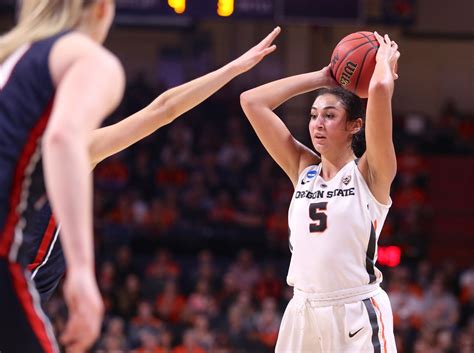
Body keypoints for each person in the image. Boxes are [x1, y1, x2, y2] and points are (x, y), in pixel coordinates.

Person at [26, 26, 281, 305]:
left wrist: (232, 68)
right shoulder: (71, 149)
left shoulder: (72, 147)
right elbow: (162, 111)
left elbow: (163, 109)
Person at [240, 32, 400, 353]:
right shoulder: (302, 168)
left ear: (355, 125)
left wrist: (383, 63)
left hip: (354, 309)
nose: (317, 124)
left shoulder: (370, 174)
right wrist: (323, 77)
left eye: (329, 116)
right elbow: (252, 101)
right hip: (302, 309)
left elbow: (380, 89)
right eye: (313, 115)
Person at [0, 1, 124, 352]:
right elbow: (63, 137)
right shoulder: (90, 59)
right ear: (102, 8)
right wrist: (83, 272)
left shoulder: (10, 56)